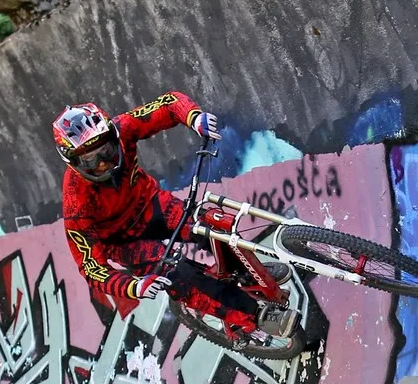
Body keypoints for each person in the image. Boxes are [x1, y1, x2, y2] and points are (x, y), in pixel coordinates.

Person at [53, 91, 298, 339]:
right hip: (124, 243)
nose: (103, 163)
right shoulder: (76, 204)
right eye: (90, 159)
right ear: (72, 162)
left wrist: (193, 118)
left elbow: (168, 104)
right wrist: (133, 286)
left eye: (105, 149)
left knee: (210, 224)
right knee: (177, 275)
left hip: (150, 205)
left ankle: (246, 273)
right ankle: (257, 316)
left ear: (113, 134)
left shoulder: (122, 127)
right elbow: (91, 268)